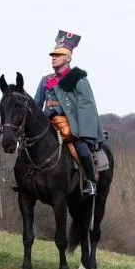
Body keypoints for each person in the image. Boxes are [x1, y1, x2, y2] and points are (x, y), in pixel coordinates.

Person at [33, 30, 104, 195]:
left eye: (58, 55)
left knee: (81, 148)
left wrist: (84, 133)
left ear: (68, 58)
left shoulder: (78, 79)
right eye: (53, 55)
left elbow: (86, 106)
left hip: (71, 125)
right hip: (48, 125)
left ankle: (90, 182)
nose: (54, 57)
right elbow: (37, 104)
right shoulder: (46, 80)